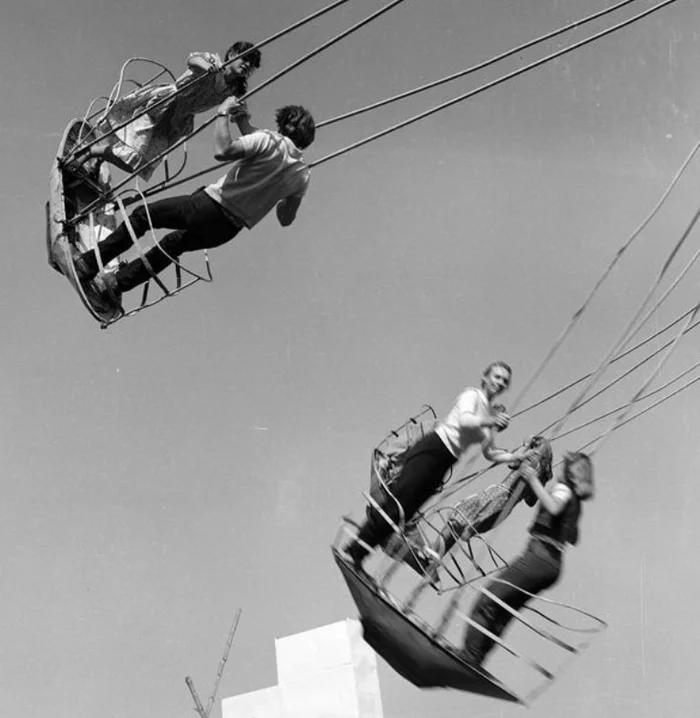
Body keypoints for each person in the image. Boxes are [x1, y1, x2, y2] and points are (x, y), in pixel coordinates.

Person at [73, 97, 315, 309]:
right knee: (173, 244)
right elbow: (285, 218)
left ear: (284, 125)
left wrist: (222, 113)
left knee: (143, 216)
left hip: (210, 206)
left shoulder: (268, 140)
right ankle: (117, 284)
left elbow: (223, 150)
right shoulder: (302, 175)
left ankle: (89, 263)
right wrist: (243, 124)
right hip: (227, 230)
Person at [344, 362, 534, 569]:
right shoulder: (472, 396)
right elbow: (465, 421)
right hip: (432, 449)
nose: (500, 382)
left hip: (444, 463)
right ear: (486, 378)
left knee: (405, 513)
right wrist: (491, 420)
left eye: (505, 381)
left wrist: (515, 456)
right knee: (397, 505)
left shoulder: (488, 415)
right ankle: (354, 550)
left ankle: (359, 553)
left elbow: (490, 453)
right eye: (497, 377)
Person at [459, 451, 595, 668]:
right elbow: (574, 537)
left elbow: (553, 506)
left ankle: (470, 656)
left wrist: (532, 479)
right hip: (552, 566)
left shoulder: (563, 490)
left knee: (489, 600)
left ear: (570, 471)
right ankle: (476, 658)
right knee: (504, 610)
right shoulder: (577, 503)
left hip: (538, 558)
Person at [78, 42, 262, 179]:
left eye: (252, 65)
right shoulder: (213, 61)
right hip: (163, 105)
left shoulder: (233, 91)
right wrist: (208, 68)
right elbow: (192, 60)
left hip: (178, 120)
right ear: (232, 54)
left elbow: (237, 113)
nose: (247, 65)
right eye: (245, 58)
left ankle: (99, 156)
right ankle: (91, 153)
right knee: (132, 148)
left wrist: (240, 113)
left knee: (140, 164)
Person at [397, 435, 553, 578]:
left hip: (497, 495)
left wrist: (524, 447)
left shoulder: (531, 458)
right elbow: (531, 502)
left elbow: (512, 462)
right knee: (461, 526)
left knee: (458, 517)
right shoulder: (541, 474)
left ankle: (431, 551)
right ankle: (434, 557)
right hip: (505, 508)